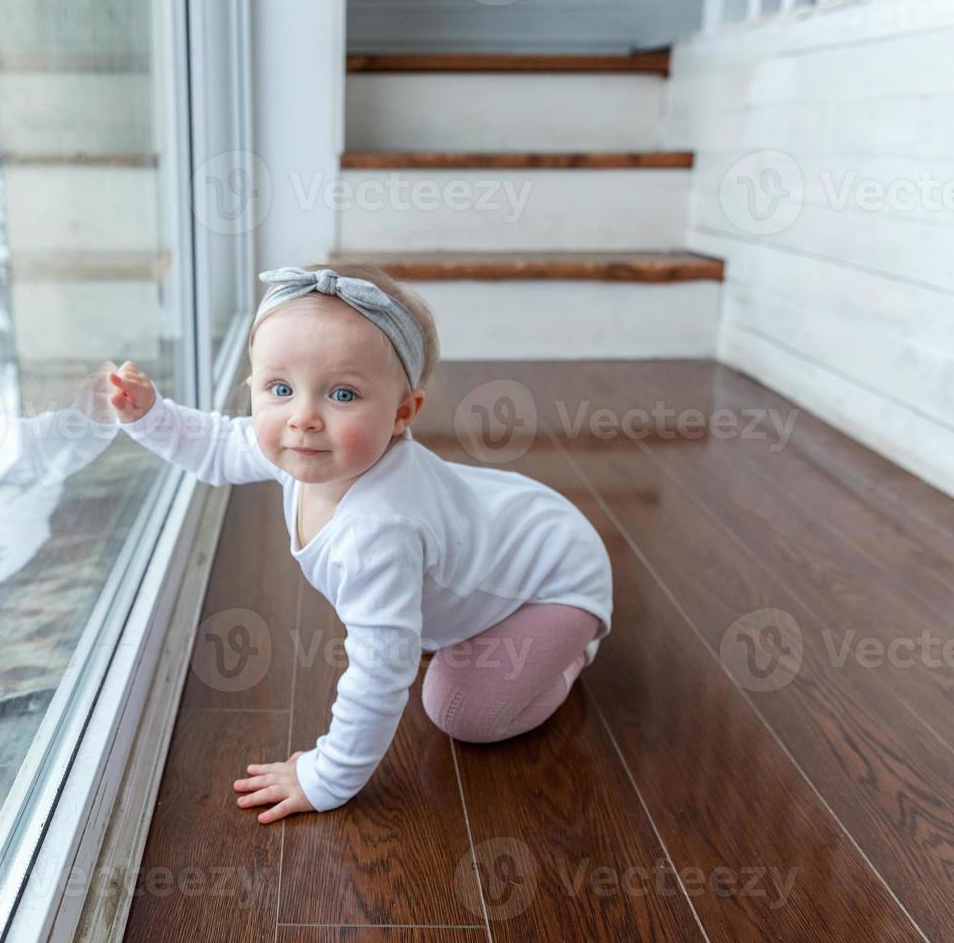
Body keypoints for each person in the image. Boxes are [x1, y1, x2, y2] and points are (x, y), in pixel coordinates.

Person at [107, 264, 613, 823]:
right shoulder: (307, 452)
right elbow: (219, 446)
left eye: (342, 394)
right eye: (280, 388)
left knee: (459, 711)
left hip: (556, 580)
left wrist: (327, 775)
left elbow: (381, 667)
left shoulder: (380, 530)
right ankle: (495, 631)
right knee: (416, 627)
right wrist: (149, 416)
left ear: (402, 414)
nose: (302, 418)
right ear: (253, 388)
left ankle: (567, 654)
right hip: (510, 530)